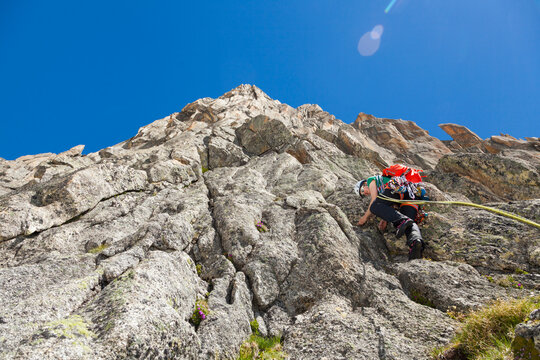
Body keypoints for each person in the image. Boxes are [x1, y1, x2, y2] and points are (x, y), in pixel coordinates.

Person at [354, 174, 424, 260]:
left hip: (396, 187)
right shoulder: (382, 192)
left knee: (374, 207)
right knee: (409, 222)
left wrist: (364, 218)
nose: (365, 193)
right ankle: (416, 243)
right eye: (363, 194)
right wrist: (384, 219)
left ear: (364, 183)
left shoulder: (370, 181)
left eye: (362, 190)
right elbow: (388, 206)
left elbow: (374, 201)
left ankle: (402, 221)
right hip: (411, 194)